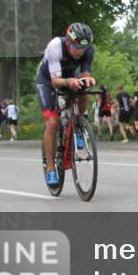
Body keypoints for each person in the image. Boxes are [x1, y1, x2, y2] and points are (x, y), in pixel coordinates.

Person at [36, 23, 96, 186]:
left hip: (70, 75)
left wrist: (87, 80)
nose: (79, 52)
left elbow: (84, 73)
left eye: (82, 49)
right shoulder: (55, 46)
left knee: (84, 92)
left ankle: (78, 126)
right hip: (47, 80)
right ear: (68, 42)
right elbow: (55, 82)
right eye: (76, 48)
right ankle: (50, 169)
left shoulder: (88, 49)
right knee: (53, 122)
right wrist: (70, 81)